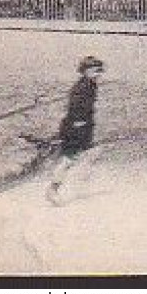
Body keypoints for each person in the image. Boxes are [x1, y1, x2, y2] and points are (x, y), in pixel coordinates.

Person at [47, 56, 104, 204]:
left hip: (83, 126)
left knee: (84, 155)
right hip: (76, 128)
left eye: (100, 71)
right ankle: (53, 190)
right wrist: (77, 125)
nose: (98, 74)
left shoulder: (90, 85)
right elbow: (74, 108)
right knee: (68, 159)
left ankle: (72, 185)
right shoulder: (82, 87)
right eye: (95, 71)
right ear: (85, 71)